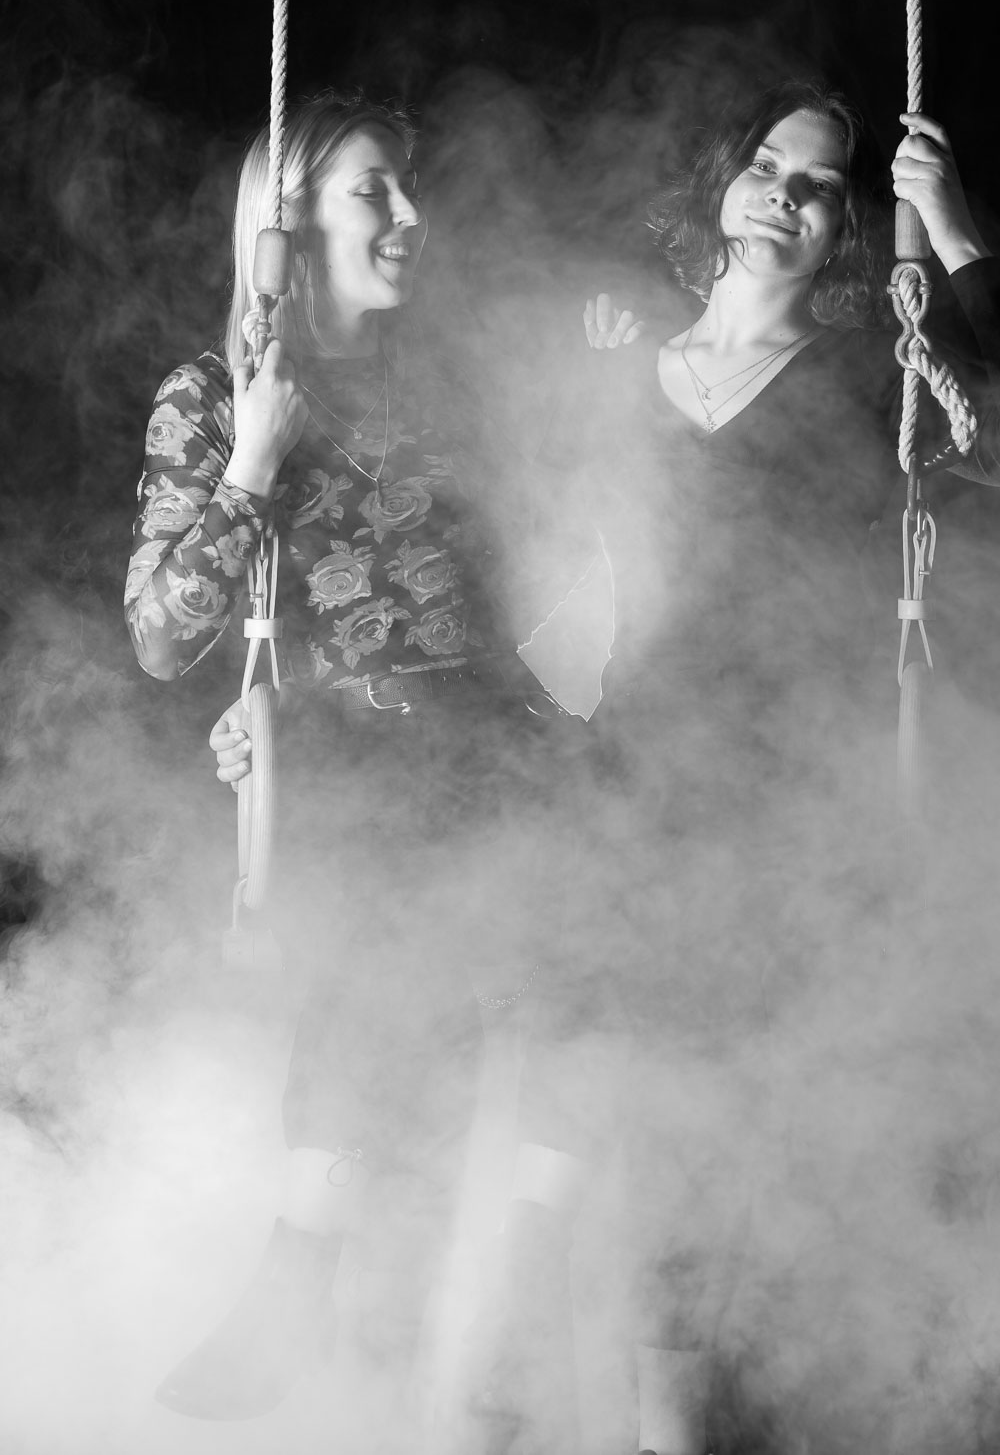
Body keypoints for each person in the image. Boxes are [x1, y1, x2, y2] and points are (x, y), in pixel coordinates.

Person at [477, 82, 1000, 1455]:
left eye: (821, 184)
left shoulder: (870, 379)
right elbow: (530, 567)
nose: (786, 192)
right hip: (623, 794)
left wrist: (951, 233)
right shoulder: (622, 362)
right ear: (723, 183)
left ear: (846, 228)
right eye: (768, 163)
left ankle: (687, 1433)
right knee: (562, 1122)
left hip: (771, 821)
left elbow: (994, 430)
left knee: (697, 1165)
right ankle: (497, 1398)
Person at [125, 90, 573, 1425]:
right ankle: (320, 1290)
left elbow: (500, 608)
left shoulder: (446, 388)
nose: (412, 215)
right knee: (380, 999)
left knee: (565, 1021)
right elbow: (163, 635)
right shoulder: (214, 396)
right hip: (365, 784)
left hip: (499, 753)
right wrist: (254, 467)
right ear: (287, 223)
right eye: (375, 189)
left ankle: (484, 1328)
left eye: (408, 185)